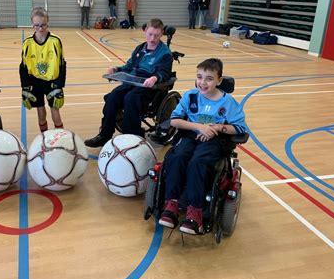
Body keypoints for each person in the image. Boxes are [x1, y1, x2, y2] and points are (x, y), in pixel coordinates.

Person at [158, 58, 246, 235]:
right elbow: (174, 120)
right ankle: (172, 204)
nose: (202, 82)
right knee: (176, 156)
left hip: (214, 139)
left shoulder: (228, 102)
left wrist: (217, 128)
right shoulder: (190, 96)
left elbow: (240, 128)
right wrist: (199, 127)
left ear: (219, 81)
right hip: (191, 134)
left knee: (197, 162)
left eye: (209, 78)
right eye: (199, 77)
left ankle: (195, 212)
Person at [84, 18, 173, 148]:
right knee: (113, 97)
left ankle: (132, 137)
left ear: (162, 34)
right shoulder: (140, 48)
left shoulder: (165, 53)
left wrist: (155, 78)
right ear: (145, 31)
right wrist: (116, 69)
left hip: (150, 86)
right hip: (133, 80)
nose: (153, 38)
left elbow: (164, 73)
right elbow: (129, 66)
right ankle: (104, 134)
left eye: (156, 35)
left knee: (130, 98)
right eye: (150, 34)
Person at [19, 7, 66, 133]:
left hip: (52, 82)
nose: (40, 28)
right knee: (40, 112)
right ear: (32, 24)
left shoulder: (55, 41)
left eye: (43, 25)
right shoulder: (27, 43)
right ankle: (45, 137)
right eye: (36, 25)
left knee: (55, 110)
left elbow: (62, 64)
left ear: (48, 22)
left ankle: (60, 138)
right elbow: (23, 67)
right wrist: (25, 87)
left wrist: (59, 85)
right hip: (35, 82)